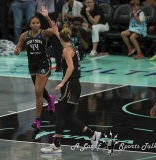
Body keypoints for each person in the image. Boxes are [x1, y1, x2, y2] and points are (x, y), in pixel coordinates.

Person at [40, 9, 101, 154]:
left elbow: (71, 67)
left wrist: (62, 83)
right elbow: (55, 29)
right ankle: (93, 134)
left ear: (60, 38)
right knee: (68, 116)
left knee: (60, 114)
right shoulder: (70, 47)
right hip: (75, 85)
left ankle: (57, 146)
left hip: (70, 85)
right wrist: (47, 17)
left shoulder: (66, 51)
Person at [14, 16, 56, 130]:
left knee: (38, 91)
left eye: (38, 22)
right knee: (40, 91)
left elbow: (54, 28)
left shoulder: (44, 33)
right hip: (32, 65)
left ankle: (37, 119)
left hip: (44, 64)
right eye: (34, 23)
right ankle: (50, 99)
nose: (36, 24)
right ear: (30, 25)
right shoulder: (24, 35)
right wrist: (17, 50)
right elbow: (18, 47)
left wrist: (47, 16)